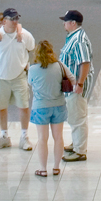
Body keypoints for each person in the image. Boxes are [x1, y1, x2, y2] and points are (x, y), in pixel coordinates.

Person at [0, 9, 35, 150]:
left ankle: (24, 136)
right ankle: (4, 135)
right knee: (0, 107)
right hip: (0, 77)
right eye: (11, 19)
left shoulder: (24, 35)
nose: (14, 21)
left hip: (19, 76)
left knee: (24, 106)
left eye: (16, 19)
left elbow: (31, 47)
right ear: (4, 21)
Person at [27, 40, 67, 177]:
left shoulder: (33, 69)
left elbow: (30, 83)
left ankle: (43, 169)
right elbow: (71, 79)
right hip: (59, 105)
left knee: (42, 138)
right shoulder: (59, 66)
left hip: (40, 107)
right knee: (58, 137)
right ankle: (56, 167)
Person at [59, 10, 92, 163]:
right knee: (74, 115)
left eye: (65, 21)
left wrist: (80, 83)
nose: (63, 24)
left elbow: (84, 62)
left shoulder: (78, 40)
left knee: (78, 117)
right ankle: (76, 143)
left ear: (73, 23)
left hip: (76, 86)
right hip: (71, 84)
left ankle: (80, 150)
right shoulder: (73, 37)